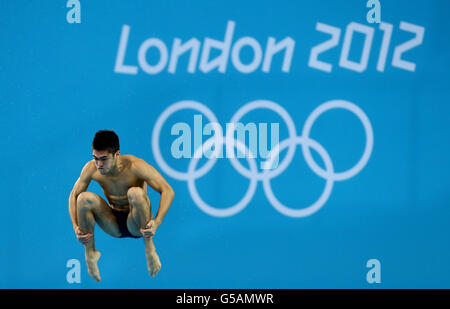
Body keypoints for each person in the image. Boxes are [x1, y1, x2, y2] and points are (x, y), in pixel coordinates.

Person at [68, 130, 174, 281]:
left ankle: (150, 248)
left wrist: (156, 223)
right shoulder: (91, 168)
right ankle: (90, 253)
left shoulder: (136, 166)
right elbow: (73, 195)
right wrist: (75, 227)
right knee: (83, 198)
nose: (99, 164)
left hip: (137, 222)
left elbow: (168, 191)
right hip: (113, 223)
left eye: (103, 159)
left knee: (135, 193)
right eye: (95, 158)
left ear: (117, 154)